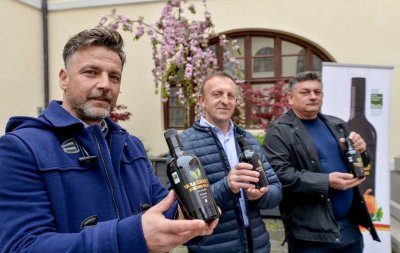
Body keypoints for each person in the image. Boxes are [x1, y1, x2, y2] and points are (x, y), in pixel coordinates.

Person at [0, 27, 217, 253]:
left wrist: (188, 215)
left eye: (114, 77)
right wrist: (132, 237)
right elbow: (21, 246)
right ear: (64, 79)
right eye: (91, 72)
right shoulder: (20, 148)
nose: (105, 84)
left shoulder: (130, 145)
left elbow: (161, 207)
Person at [263, 71, 380, 253]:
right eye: (305, 92)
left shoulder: (338, 125)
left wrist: (362, 152)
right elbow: (280, 174)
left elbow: (358, 163)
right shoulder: (278, 132)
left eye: (317, 92)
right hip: (310, 235)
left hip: (349, 226)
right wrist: (326, 181)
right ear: (290, 98)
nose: (312, 96)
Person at [175, 71, 282, 253]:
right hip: (213, 247)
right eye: (217, 94)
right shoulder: (183, 146)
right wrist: (227, 186)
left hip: (257, 244)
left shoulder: (248, 140)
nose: (225, 100)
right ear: (202, 100)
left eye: (230, 95)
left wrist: (261, 195)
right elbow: (183, 208)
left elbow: (276, 190)